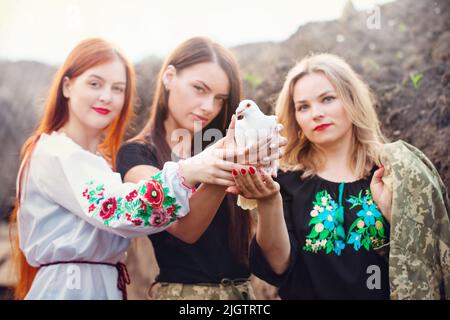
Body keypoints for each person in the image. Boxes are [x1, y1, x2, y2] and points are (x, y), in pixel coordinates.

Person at [8, 38, 235, 300]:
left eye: (118, 89)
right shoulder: (54, 152)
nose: (107, 96)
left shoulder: (101, 164)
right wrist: (190, 171)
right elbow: (119, 209)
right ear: (67, 86)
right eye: (95, 83)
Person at [234, 53, 450, 300]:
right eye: (303, 106)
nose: (316, 113)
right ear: (295, 117)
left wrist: (395, 214)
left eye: (327, 99)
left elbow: (425, 263)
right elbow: (279, 266)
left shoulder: (391, 174)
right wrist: (269, 202)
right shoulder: (284, 180)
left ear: (351, 100)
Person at [116, 37, 285, 300]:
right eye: (199, 89)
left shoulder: (223, 144)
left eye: (220, 99)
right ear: (169, 77)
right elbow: (185, 230)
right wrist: (227, 163)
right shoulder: (137, 154)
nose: (209, 107)